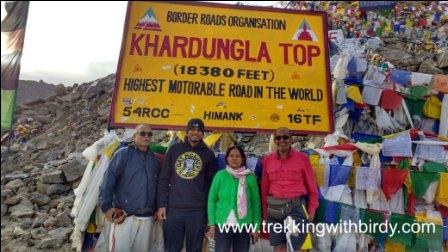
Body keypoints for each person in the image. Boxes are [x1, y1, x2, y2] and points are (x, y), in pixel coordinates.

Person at [157, 118, 217, 252]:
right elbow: (164, 179)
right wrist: (161, 204)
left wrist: (209, 213)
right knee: (172, 248)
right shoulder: (174, 150)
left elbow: (212, 186)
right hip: (173, 209)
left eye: (199, 130)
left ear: (203, 133)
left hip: (197, 211)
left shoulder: (208, 154)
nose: (195, 133)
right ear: (187, 131)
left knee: (195, 249)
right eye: (192, 129)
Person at [99, 124, 160, 251]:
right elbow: (108, 181)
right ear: (134, 136)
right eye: (142, 133)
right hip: (125, 216)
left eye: (149, 134)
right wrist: (107, 208)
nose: (146, 137)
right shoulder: (123, 154)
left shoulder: (153, 158)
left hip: (147, 218)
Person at [261, 127, 319, 252]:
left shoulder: (303, 159)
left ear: (291, 139)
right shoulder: (267, 160)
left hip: (296, 207)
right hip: (274, 208)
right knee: (278, 246)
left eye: (285, 137)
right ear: (275, 140)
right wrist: (265, 213)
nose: (282, 140)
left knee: (297, 247)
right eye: (278, 138)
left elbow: (312, 187)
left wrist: (312, 209)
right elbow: (264, 188)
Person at [206, 145, 261, 252]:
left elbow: (256, 204)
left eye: (238, 156)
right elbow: (211, 201)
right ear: (226, 159)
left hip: (244, 226)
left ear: (243, 159)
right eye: (231, 156)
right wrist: (212, 224)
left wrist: (256, 228)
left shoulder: (250, 177)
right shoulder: (220, 176)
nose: (234, 158)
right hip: (222, 225)